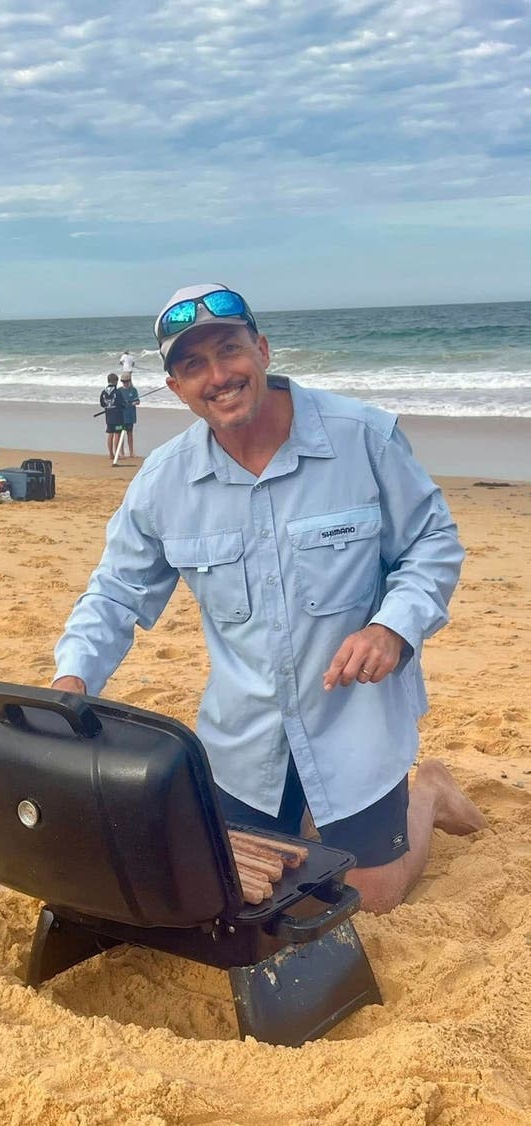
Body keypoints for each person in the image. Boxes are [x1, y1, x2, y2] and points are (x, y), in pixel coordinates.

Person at [53, 282, 486, 915]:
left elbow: (432, 541)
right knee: (240, 892)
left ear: (261, 349)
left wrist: (392, 627)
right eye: (194, 364)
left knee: (370, 901)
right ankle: (310, 814)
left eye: (230, 350)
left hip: (355, 726)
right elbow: (116, 593)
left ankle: (430, 791)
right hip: (244, 742)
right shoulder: (163, 481)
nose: (219, 376)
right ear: (175, 387)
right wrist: (72, 679)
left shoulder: (363, 437)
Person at [99, 372, 126, 461]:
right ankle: (117, 453)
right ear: (116, 381)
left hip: (109, 416)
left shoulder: (103, 392)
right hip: (118, 417)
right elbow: (122, 404)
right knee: (117, 433)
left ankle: (111, 453)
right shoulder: (117, 392)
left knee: (110, 433)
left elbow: (102, 404)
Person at [119, 373, 140, 458]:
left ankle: (131, 452)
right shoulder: (119, 390)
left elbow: (138, 401)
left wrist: (134, 402)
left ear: (129, 381)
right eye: (123, 381)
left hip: (130, 416)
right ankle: (122, 452)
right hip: (121, 416)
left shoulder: (133, 390)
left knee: (130, 433)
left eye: (126, 381)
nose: (125, 383)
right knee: (121, 434)